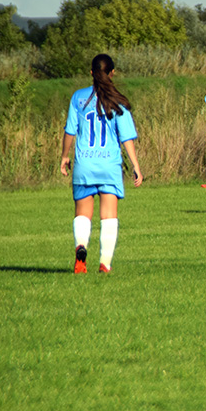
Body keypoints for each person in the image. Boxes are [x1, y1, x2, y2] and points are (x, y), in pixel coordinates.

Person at [60, 54, 143, 273]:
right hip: (109, 166)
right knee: (109, 216)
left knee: (82, 213)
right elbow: (127, 138)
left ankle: (81, 247)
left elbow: (70, 130)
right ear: (113, 72)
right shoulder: (118, 100)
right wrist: (136, 166)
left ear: (91, 73)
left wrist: (64, 156)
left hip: (84, 164)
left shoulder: (79, 97)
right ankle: (105, 263)